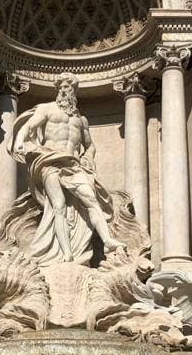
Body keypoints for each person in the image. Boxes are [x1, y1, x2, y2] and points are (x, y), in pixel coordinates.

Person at [9, 73, 124, 264]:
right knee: (59, 206)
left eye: (68, 87)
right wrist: (20, 142)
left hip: (73, 164)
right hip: (50, 161)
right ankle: (66, 253)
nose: (64, 91)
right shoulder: (47, 109)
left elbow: (90, 145)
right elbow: (27, 127)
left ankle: (107, 240)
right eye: (61, 87)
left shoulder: (81, 120)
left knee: (92, 200)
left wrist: (88, 157)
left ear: (74, 91)